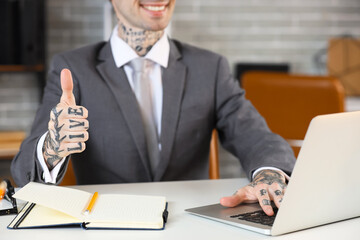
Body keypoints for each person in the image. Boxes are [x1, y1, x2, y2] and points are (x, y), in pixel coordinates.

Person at [11, 0, 296, 216]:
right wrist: (52, 147)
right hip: (107, 223)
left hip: (189, 223)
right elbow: (25, 174)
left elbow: (253, 133)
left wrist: (268, 173)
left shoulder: (210, 68)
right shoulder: (73, 69)